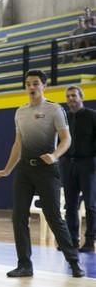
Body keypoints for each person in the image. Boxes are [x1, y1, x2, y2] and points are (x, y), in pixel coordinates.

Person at [0, 70, 84, 278]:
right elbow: (18, 143)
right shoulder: (20, 112)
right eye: (28, 84)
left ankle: (73, 262)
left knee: (53, 217)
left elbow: (66, 139)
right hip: (25, 169)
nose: (31, 87)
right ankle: (24, 264)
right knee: (19, 217)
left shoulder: (54, 110)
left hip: (46, 169)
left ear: (44, 85)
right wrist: (8, 169)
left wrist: (55, 155)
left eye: (35, 83)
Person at [61, 85, 96, 252]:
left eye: (74, 96)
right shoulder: (64, 118)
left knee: (90, 205)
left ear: (81, 97)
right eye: (68, 96)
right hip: (67, 164)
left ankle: (90, 241)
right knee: (71, 205)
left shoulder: (92, 116)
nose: (71, 99)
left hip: (88, 164)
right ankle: (72, 240)